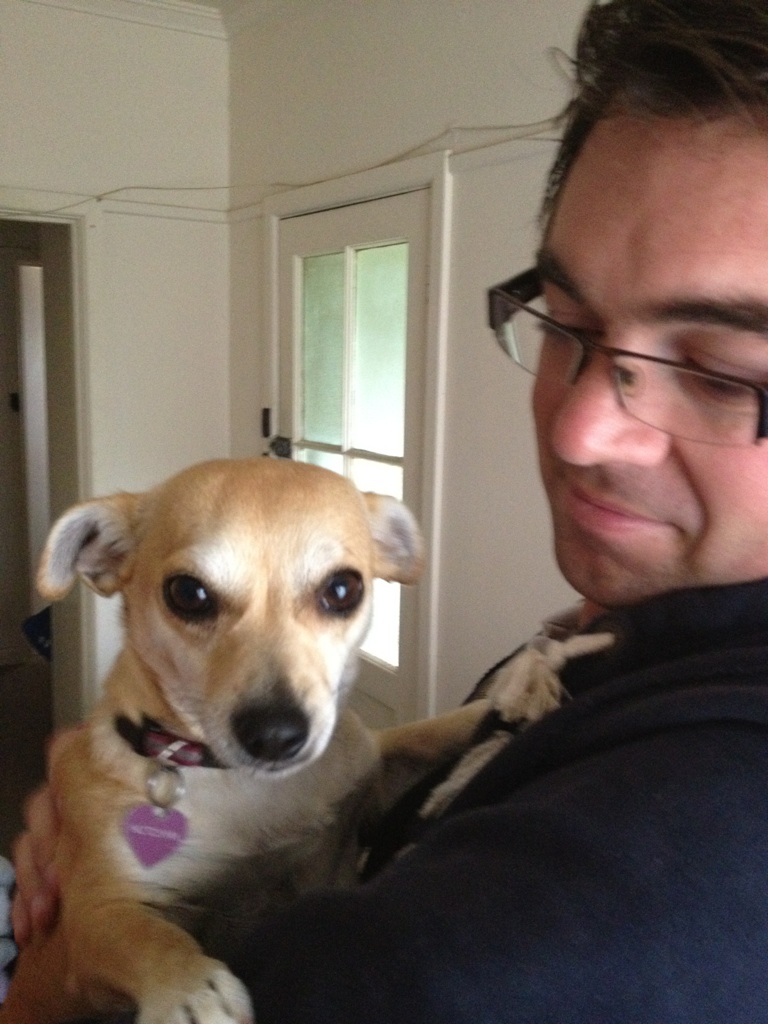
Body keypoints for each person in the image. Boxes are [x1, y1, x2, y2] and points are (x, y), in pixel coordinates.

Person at [14, 0, 768, 1019]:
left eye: (722, 371)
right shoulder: (596, 644)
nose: (578, 430)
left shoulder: (679, 843)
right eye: (568, 323)